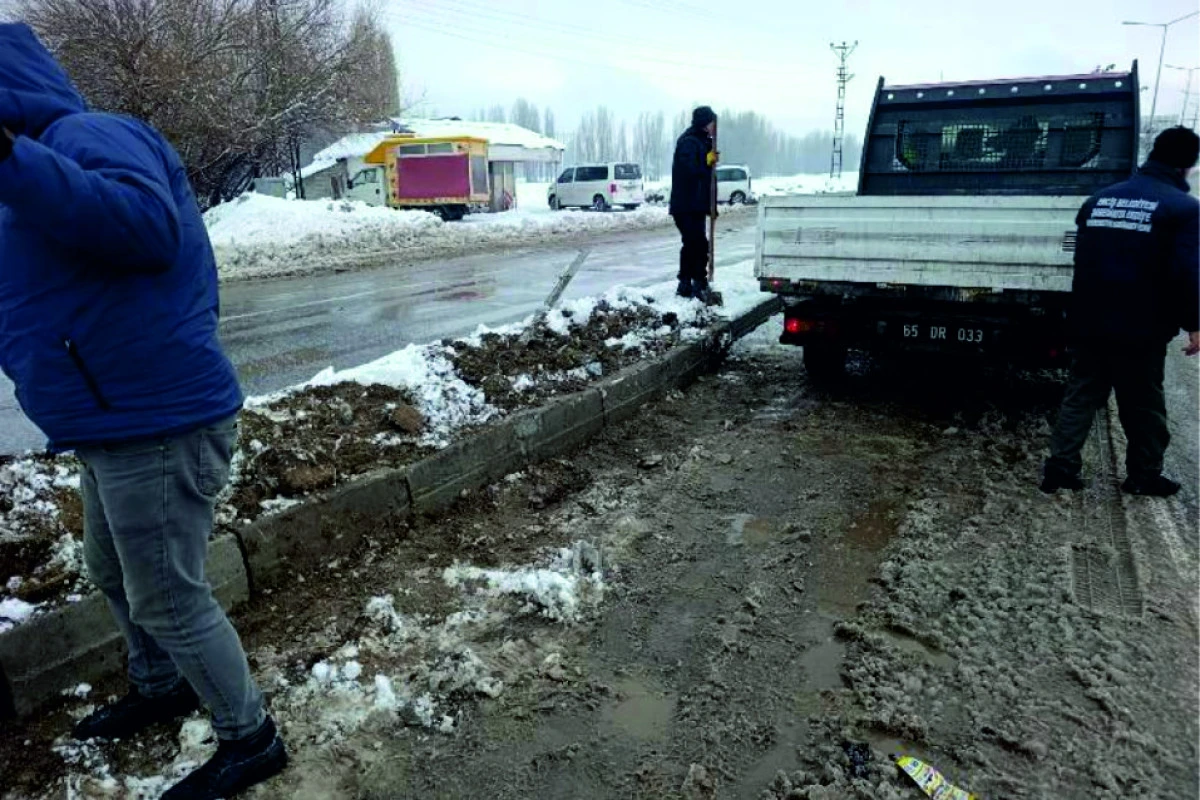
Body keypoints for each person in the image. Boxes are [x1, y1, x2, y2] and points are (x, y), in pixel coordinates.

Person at [0, 24, 286, 798]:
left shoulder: (91, 134)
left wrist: (12, 160)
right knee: (109, 571)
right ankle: (160, 685)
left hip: (156, 420)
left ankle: (249, 735)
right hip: (108, 421)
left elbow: (145, 228)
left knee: (167, 590)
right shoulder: (26, 179)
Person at [1042, 126, 1200, 497]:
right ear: (1187, 166)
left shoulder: (1098, 201)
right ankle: (1143, 475)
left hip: (1089, 320)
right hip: (1140, 328)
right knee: (1142, 403)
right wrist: (1195, 323)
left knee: (1081, 395)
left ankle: (1059, 469)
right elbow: (1188, 272)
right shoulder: (1184, 210)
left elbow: (1082, 260)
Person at [670, 105, 719, 303]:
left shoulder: (702, 141)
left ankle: (693, 282)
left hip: (696, 204)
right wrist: (706, 161)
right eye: (711, 123)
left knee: (694, 244)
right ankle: (690, 282)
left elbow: (706, 178)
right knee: (695, 244)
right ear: (704, 123)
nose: (714, 127)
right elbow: (689, 170)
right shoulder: (689, 142)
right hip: (685, 205)